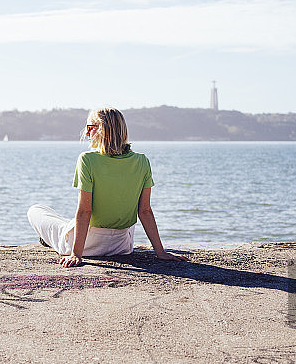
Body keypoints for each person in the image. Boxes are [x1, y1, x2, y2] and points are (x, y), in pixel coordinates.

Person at [27, 107, 189, 267]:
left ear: (102, 130)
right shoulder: (142, 161)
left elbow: (85, 211)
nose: (87, 133)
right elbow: (145, 211)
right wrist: (160, 252)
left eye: (90, 127)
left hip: (86, 246)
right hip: (122, 246)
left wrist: (76, 254)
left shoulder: (87, 160)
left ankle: (49, 238)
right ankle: (59, 232)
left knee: (36, 210)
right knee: (66, 221)